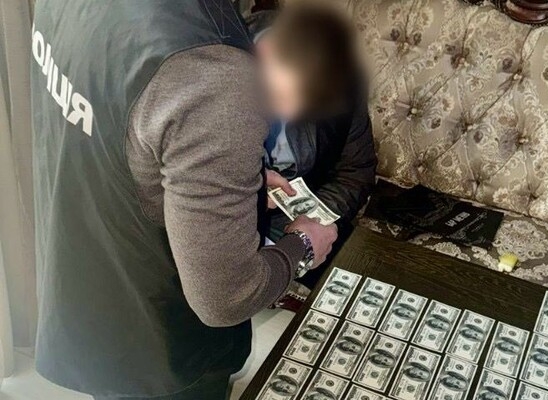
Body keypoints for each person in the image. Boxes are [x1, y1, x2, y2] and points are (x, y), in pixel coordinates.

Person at [31, 1, 337, 399]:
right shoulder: (212, 71)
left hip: (84, 293)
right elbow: (226, 297)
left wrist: (217, 182)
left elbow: (119, 137)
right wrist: (302, 246)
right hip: (162, 349)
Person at [247, 3, 377, 297]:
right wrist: (247, 195)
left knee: (360, 291)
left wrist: (311, 224)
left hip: (307, 211)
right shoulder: (215, 77)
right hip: (228, 220)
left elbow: (356, 172)